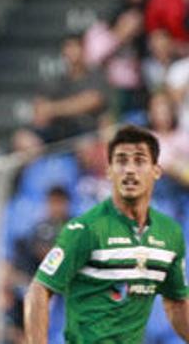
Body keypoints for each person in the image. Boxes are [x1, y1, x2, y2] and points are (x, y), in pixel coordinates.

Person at [24, 125, 189, 343]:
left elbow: (176, 304)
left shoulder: (169, 233)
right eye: (121, 161)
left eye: (139, 161)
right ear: (109, 171)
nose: (130, 170)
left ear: (156, 170)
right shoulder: (86, 230)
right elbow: (38, 291)